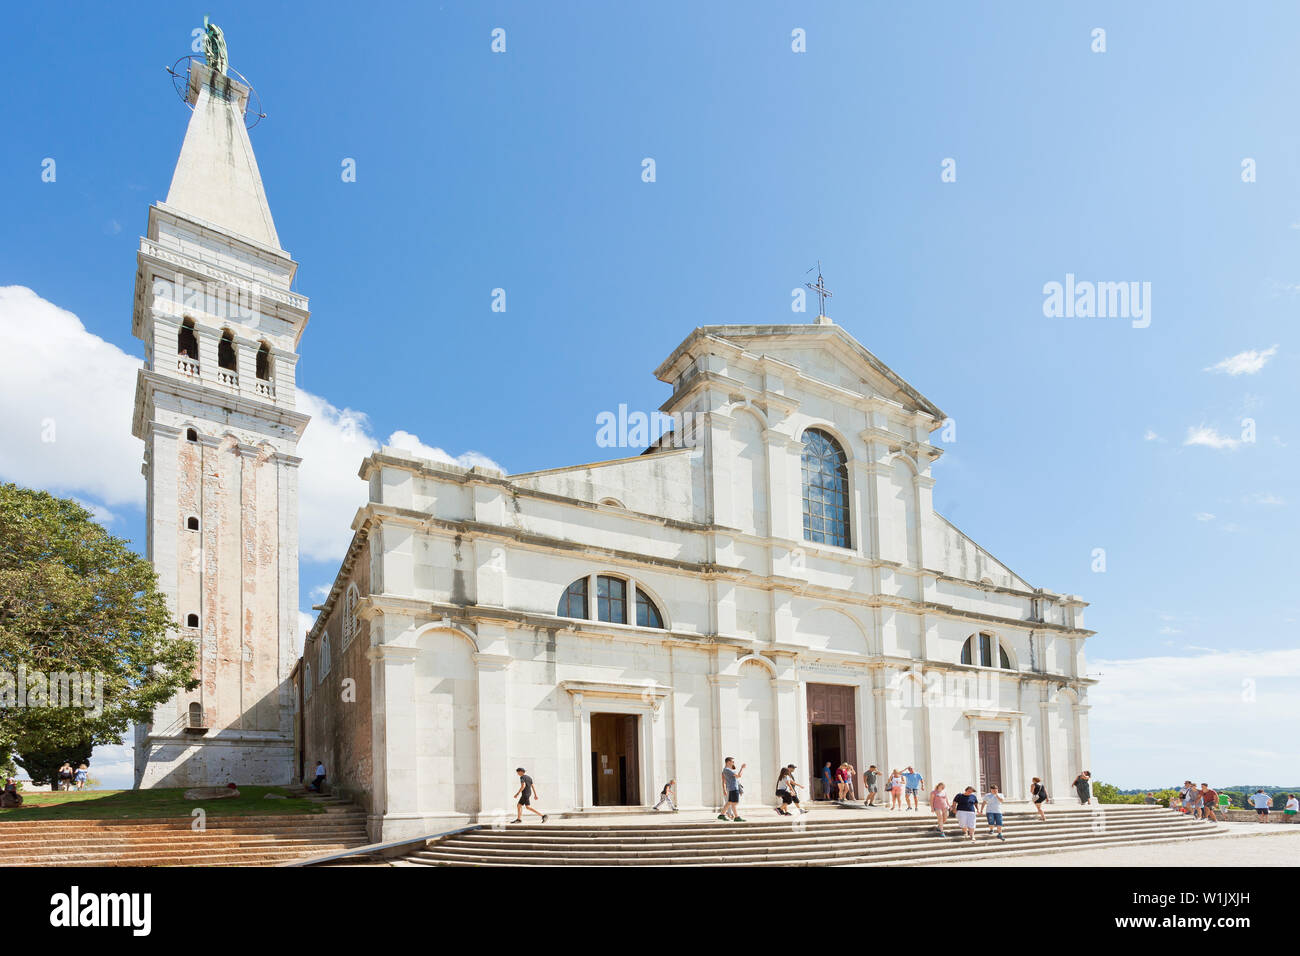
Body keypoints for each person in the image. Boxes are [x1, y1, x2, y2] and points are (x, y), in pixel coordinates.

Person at [719, 757, 746, 822]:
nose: (733, 763)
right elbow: (739, 776)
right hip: (733, 788)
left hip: (733, 788)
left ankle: (722, 815)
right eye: (732, 761)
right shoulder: (727, 770)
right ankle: (737, 817)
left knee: (730, 802)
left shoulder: (726, 770)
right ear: (728, 762)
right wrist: (742, 768)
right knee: (734, 803)